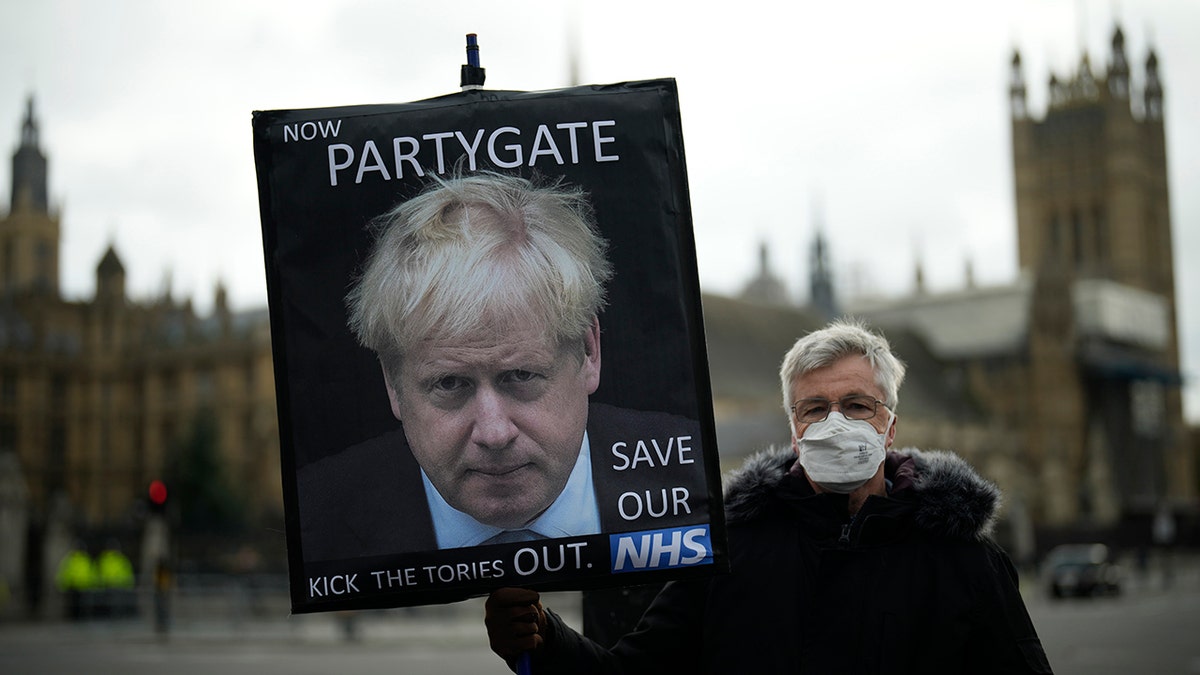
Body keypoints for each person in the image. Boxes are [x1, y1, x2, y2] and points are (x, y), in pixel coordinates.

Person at [485, 319, 1053, 674]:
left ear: (890, 426)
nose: (835, 423)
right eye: (815, 408)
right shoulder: (729, 556)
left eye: (856, 405)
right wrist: (542, 636)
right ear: (793, 429)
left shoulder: (962, 561)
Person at [298, 172, 704, 559]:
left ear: (588, 351)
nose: (494, 434)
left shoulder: (697, 485)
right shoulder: (317, 522)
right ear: (392, 383)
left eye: (521, 376)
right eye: (450, 384)